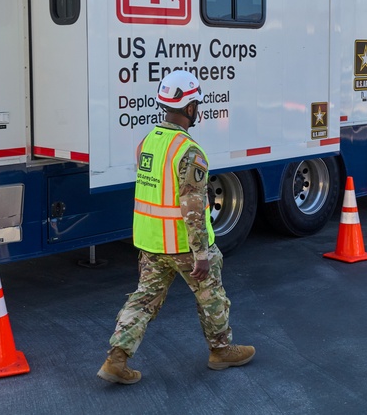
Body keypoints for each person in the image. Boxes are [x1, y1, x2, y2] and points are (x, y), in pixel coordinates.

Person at [97, 70, 255, 384]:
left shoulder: (147, 142)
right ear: (189, 108)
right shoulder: (189, 151)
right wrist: (200, 253)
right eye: (196, 103)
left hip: (150, 242)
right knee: (212, 298)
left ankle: (116, 358)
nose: (197, 108)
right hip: (183, 244)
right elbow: (193, 208)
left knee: (143, 300)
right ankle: (221, 351)